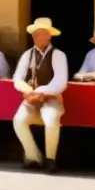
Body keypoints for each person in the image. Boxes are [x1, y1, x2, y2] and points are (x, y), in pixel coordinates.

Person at [12, 17, 68, 173]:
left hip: (51, 99)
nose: (36, 37)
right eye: (35, 34)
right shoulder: (27, 55)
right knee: (18, 121)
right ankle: (33, 156)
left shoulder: (58, 55)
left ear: (49, 36)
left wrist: (40, 93)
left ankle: (50, 159)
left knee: (51, 120)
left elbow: (60, 81)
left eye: (41, 33)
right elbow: (17, 78)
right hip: (31, 99)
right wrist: (29, 92)